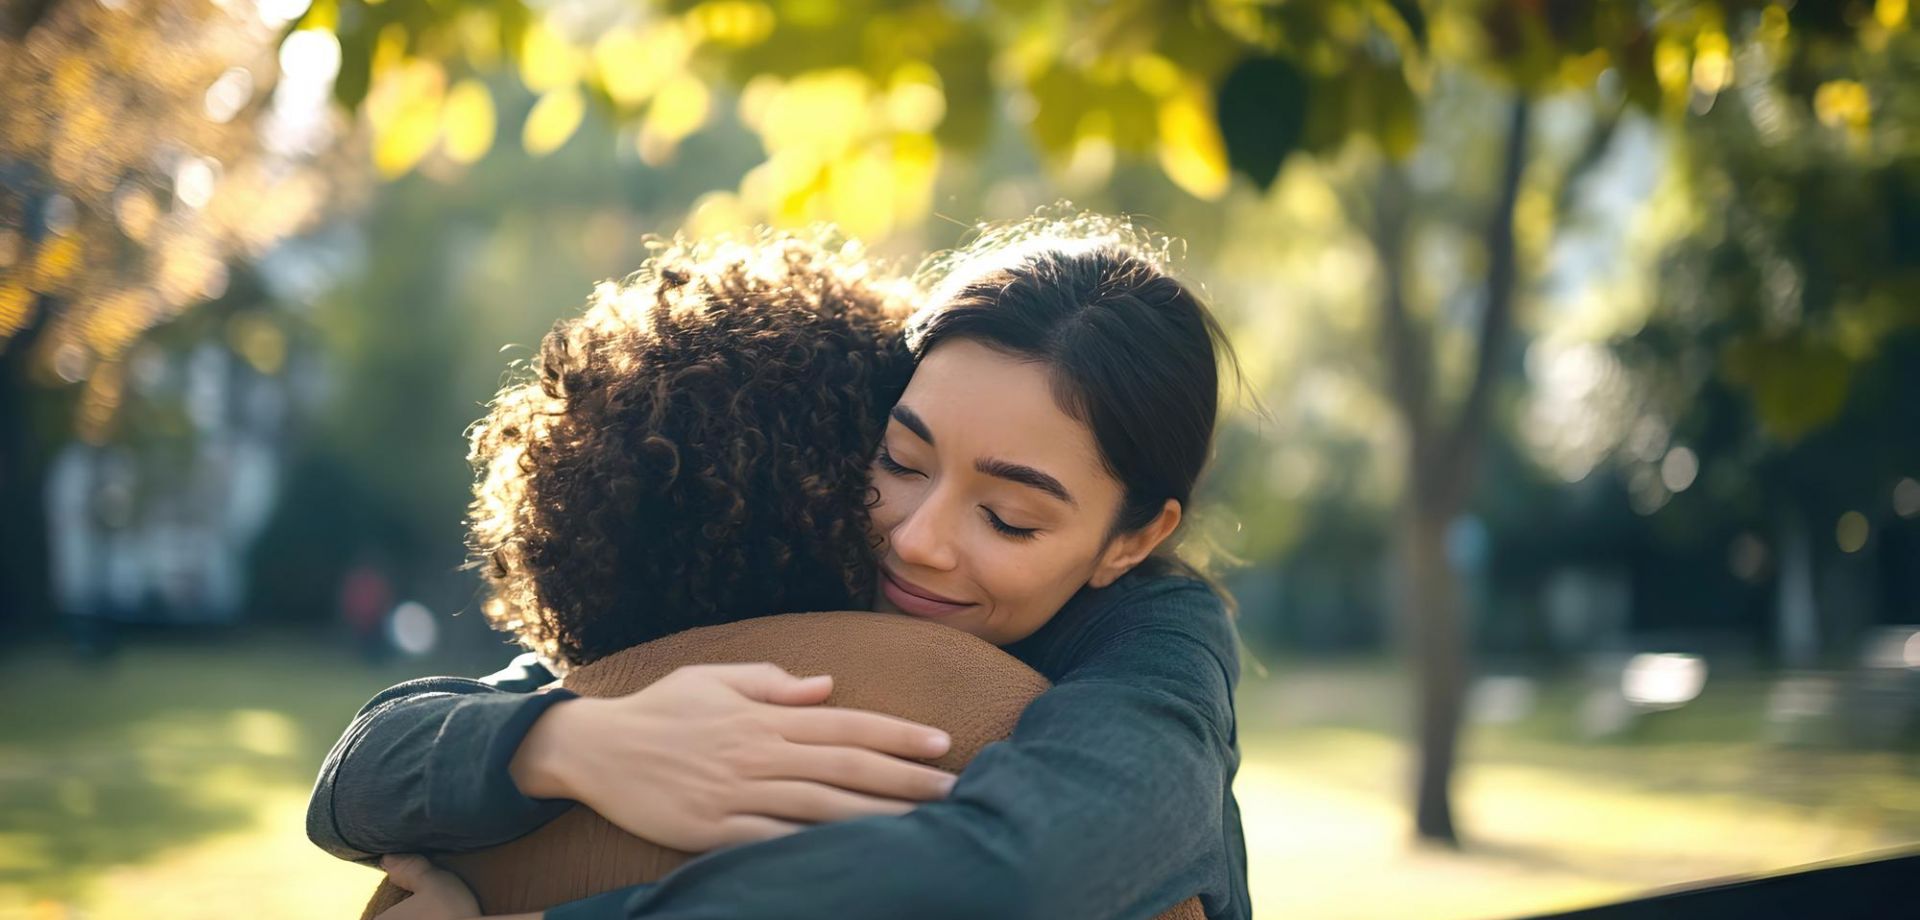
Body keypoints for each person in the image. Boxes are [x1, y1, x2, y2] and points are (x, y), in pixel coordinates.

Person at [312, 211, 1249, 920]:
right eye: (902, 462)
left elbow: (1028, 867)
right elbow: (357, 782)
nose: (919, 538)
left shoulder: (1157, 641)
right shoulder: (817, 564)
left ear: (1132, 539)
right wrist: (571, 743)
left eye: (1009, 518)